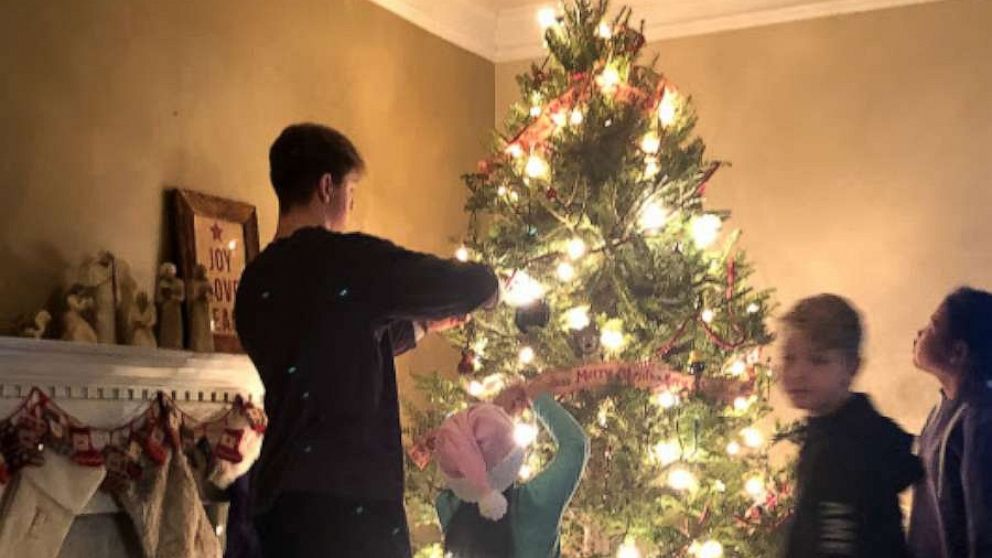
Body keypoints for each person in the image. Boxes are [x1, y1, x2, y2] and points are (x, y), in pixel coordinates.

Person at [234, 123, 498, 558]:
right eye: (350, 191)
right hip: (352, 508)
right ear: (326, 186)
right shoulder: (346, 261)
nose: (350, 205)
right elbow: (448, 282)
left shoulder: (255, 284)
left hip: (280, 504)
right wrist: (492, 286)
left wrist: (424, 325)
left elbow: (331, 349)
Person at [778, 294, 922, 557]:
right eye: (789, 358)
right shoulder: (832, 430)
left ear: (852, 368)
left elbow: (835, 542)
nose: (798, 372)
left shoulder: (846, 447)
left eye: (818, 360)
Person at [433, 374, 589, 558]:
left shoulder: (448, 507)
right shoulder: (536, 504)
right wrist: (538, 398)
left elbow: (460, 453)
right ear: (511, 460)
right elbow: (575, 445)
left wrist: (495, 414)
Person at [908, 287, 992, 558]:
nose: (919, 333)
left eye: (932, 326)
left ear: (958, 352)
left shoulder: (979, 419)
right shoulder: (940, 412)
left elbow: (982, 524)